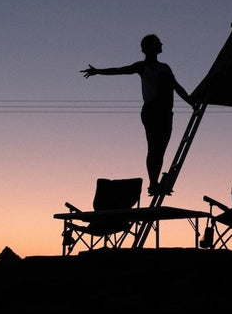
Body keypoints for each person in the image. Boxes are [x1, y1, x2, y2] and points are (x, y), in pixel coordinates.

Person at [81, 34, 193, 197]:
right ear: (150, 47)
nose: (162, 44)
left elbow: (177, 87)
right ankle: (153, 183)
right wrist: (98, 71)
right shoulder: (142, 66)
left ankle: (154, 183)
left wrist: (191, 102)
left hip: (166, 113)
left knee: (160, 150)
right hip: (151, 111)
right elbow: (119, 70)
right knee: (154, 148)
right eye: (158, 42)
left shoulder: (166, 68)